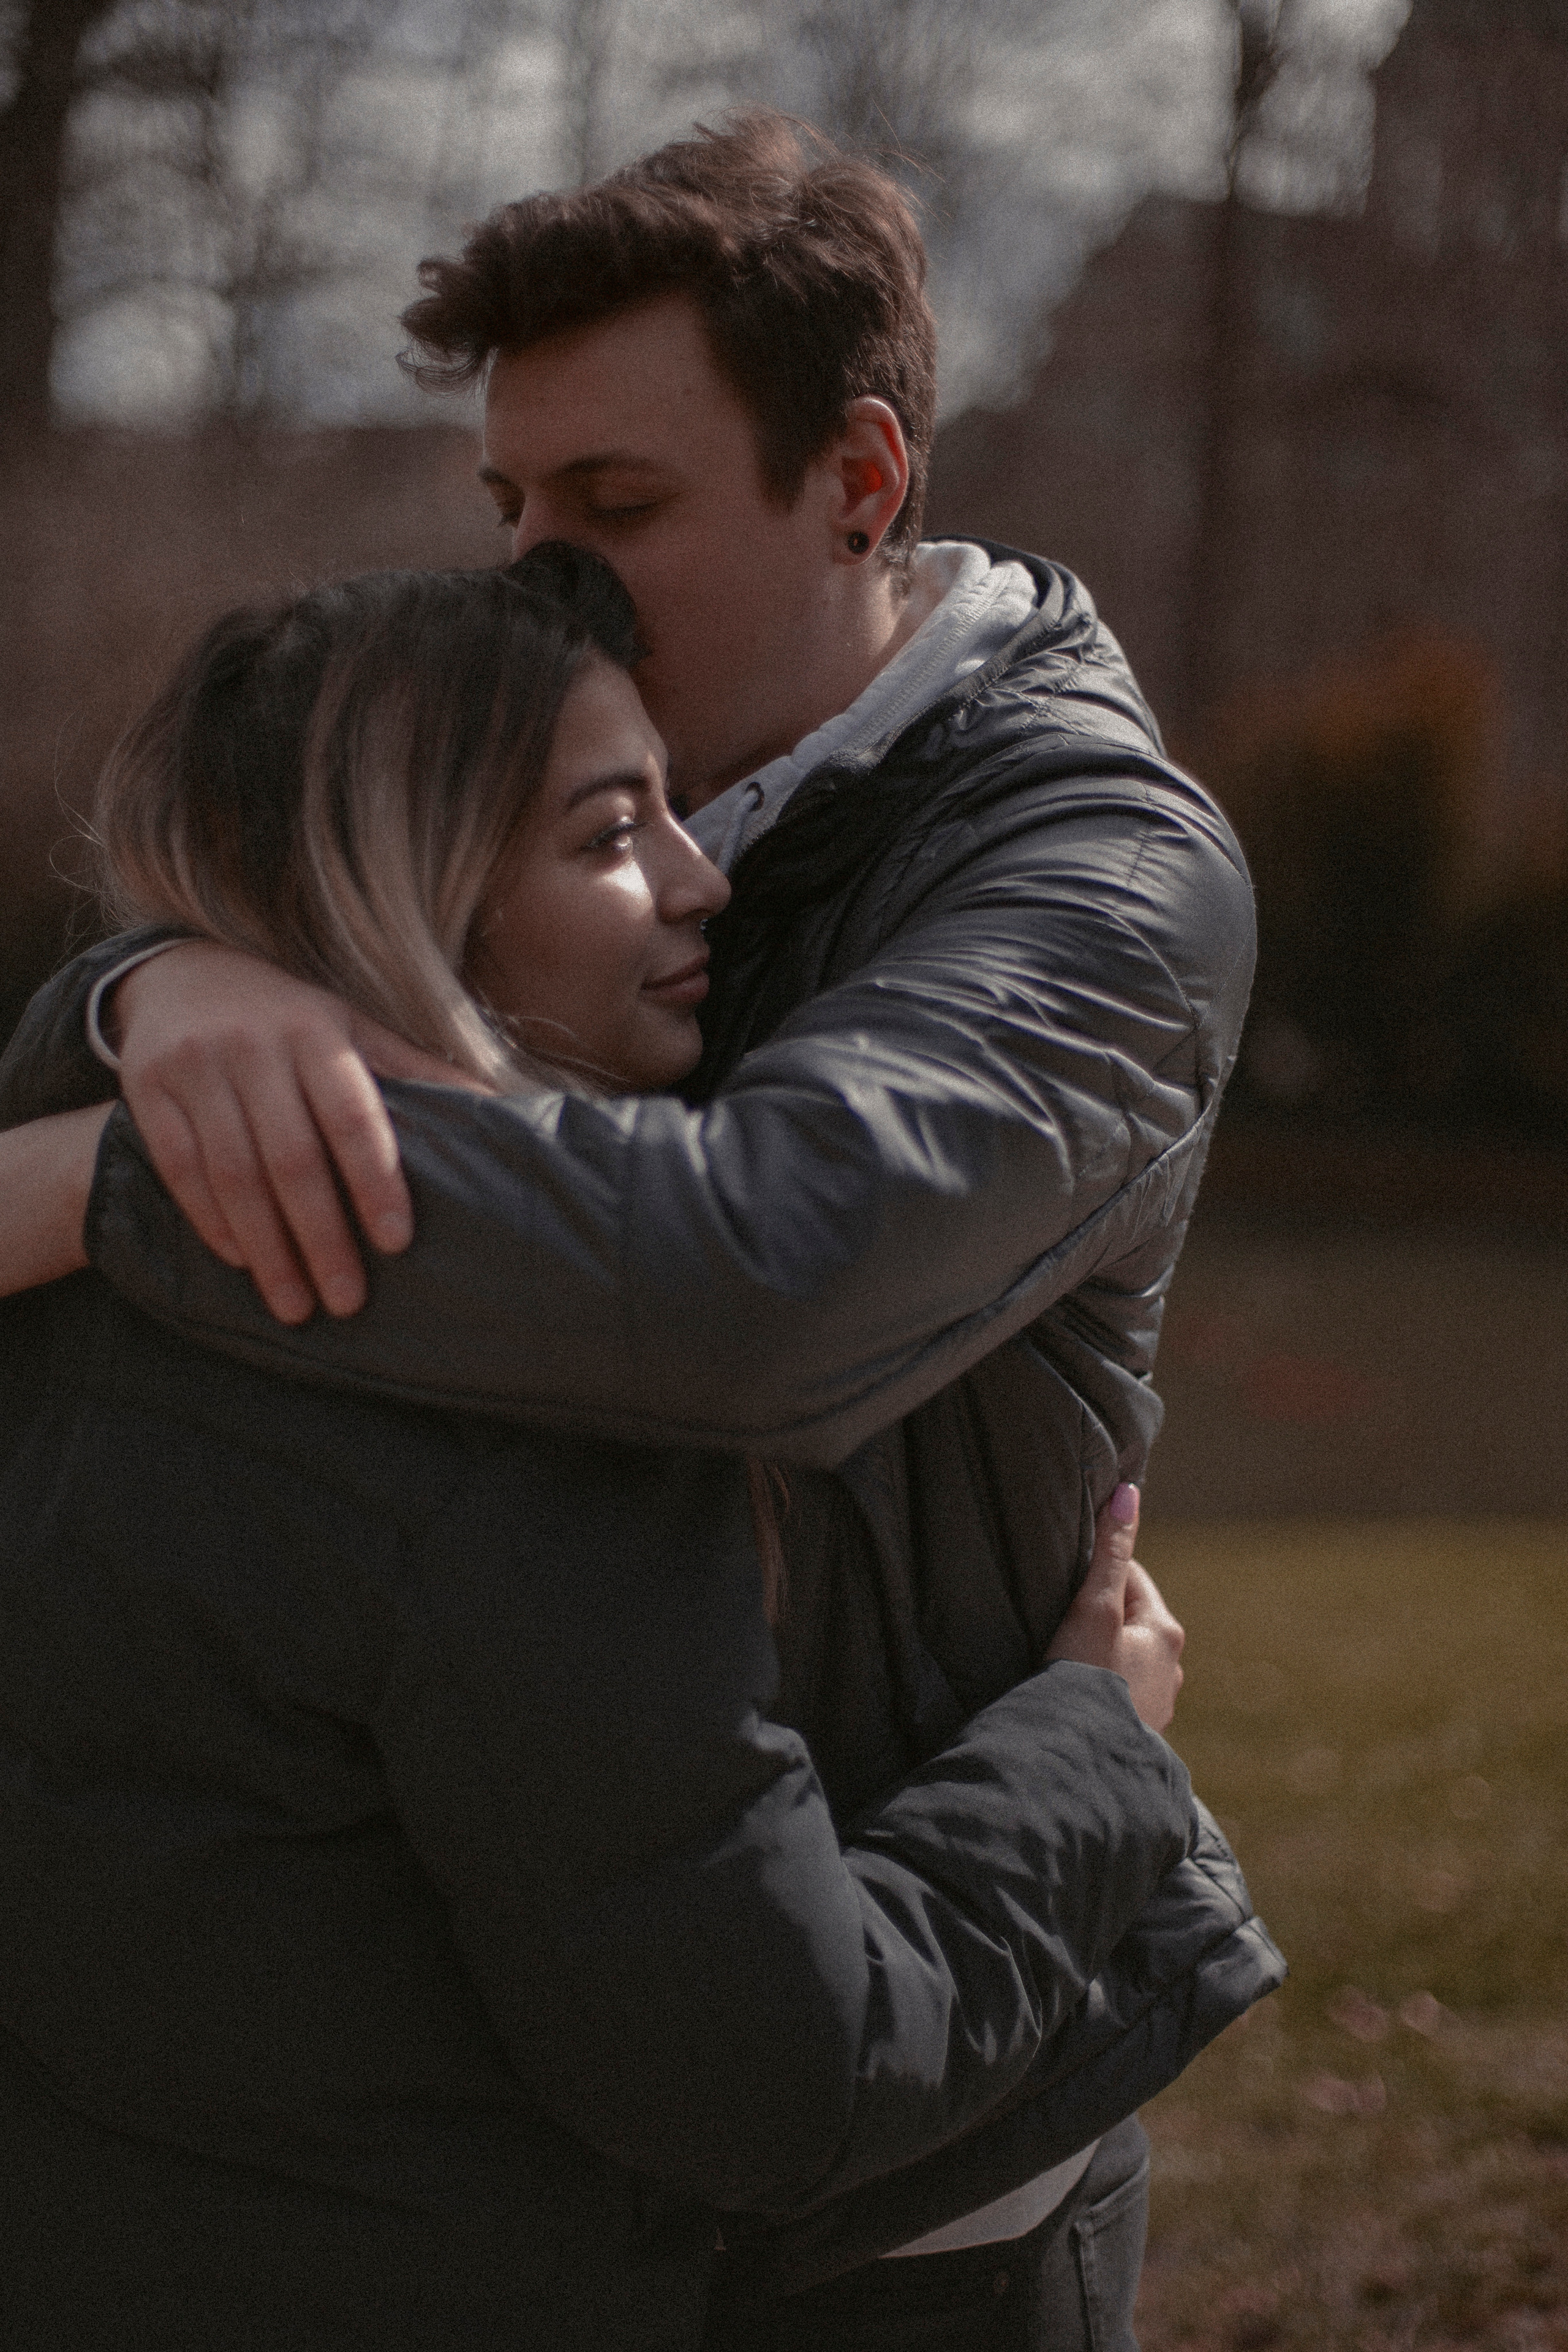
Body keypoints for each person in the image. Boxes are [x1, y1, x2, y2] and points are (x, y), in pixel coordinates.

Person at [0, 115, 1281, 2346]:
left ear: (862, 481)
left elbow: (752, 1278)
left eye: (617, 509)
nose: (540, 578)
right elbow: (318, 915)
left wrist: (109, 1181)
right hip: (538, 2130)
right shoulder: (591, 766)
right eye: (508, 509)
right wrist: (159, 992)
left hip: (923, 2154)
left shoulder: (1096, 879)